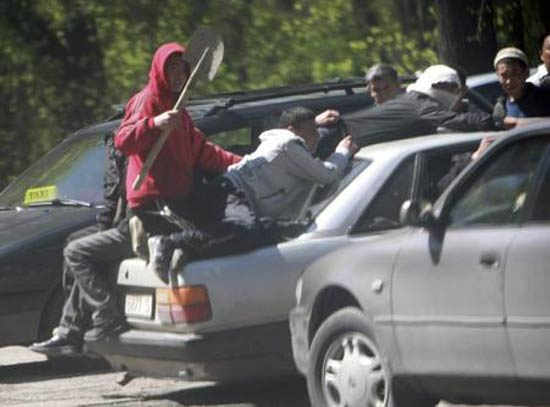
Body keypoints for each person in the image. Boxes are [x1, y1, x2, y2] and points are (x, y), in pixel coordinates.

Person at [149, 107, 359, 282]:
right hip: (234, 193)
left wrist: (316, 122)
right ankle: (172, 242)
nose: (316, 136)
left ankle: (182, 246)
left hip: (222, 189)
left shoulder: (278, 140)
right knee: (245, 230)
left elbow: (302, 133)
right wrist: (342, 151)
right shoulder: (289, 144)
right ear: (292, 130)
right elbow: (326, 175)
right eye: (313, 131)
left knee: (257, 231)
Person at [29, 132, 131, 356]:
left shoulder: (121, 138)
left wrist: (104, 227)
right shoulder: (136, 132)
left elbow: (112, 191)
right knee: (75, 241)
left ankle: (89, 322)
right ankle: (74, 328)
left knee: (79, 251)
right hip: (129, 221)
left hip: (133, 224)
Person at [344, 64, 508, 147]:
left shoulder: (414, 104)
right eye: (376, 90)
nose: (381, 94)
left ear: (398, 85)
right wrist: (501, 122)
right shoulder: (420, 106)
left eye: (386, 88)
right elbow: (466, 121)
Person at [493, 47, 550, 118]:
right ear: (497, 75)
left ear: (526, 73)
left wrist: (517, 123)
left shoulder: (544, 98)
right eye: (504, 76)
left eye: (514, 74)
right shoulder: (500, 109)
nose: (509, 81)